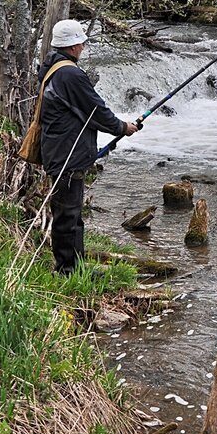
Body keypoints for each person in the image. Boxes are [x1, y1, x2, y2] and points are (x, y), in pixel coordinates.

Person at [39, 19, 138, 274]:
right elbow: (97, 109)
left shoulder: (55, 67)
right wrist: (122, 128)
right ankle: (67, 271)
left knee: (71, 214)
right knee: (67, 216)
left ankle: (75, 266)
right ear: (72, 46)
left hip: (62, 151)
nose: (83, 47)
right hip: (67, 155)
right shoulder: (70, 74)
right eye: (81, 43)